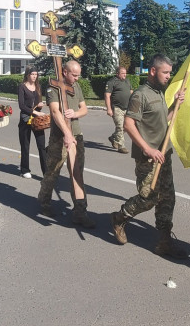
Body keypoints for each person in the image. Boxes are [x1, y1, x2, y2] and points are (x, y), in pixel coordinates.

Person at [110, 55, 187, 257]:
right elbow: (128, 124)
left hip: (164, 154)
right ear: (153, 71)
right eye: (166, 72)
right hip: (149, 157)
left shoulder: (160, 93)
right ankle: (120, 217)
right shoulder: (141, 95)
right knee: (148, 197)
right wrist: (146, 148)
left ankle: (164, 241)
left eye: (170, 72)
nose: (169, 76)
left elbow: (164, 120)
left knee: (168, 198)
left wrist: (175, 105)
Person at [36, 59, 94, 228]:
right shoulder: (52, 87)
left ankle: (80, 212)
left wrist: (75, 113)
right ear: (65, 72)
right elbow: (55, 111)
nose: (76, 78)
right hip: (59, 138)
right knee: (53, 171)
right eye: (74, 75)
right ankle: (44, 202)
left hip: (77, 135)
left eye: (78, 75)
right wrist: (67, 134)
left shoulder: (76, 87)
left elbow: (84, 109)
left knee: (77, 173)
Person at [17, 69, 48, 178]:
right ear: (28, 75)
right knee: (25, 145)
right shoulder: (22, 87)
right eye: (32, 74)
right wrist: (34, 111)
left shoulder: (38, 87)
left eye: (36, 74)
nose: (34, 76)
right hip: (26, 119)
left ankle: (46, 172)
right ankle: (25, 170)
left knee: (41, 146)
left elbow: (38, 103)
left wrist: (40, 105)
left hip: (37, 120)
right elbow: (21, 105)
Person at [104, 66, 132, 153]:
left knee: (126, 127)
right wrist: (109, 109)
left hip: (127, 108)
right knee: (120, 126)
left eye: (125, 73)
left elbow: (131, 92)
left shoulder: (127, 81)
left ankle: (113, 138)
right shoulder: (112, 82)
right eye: (122, 73)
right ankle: (121, 146)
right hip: (117, 108)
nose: (125, 75)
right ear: (117, 74)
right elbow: (107, 96)